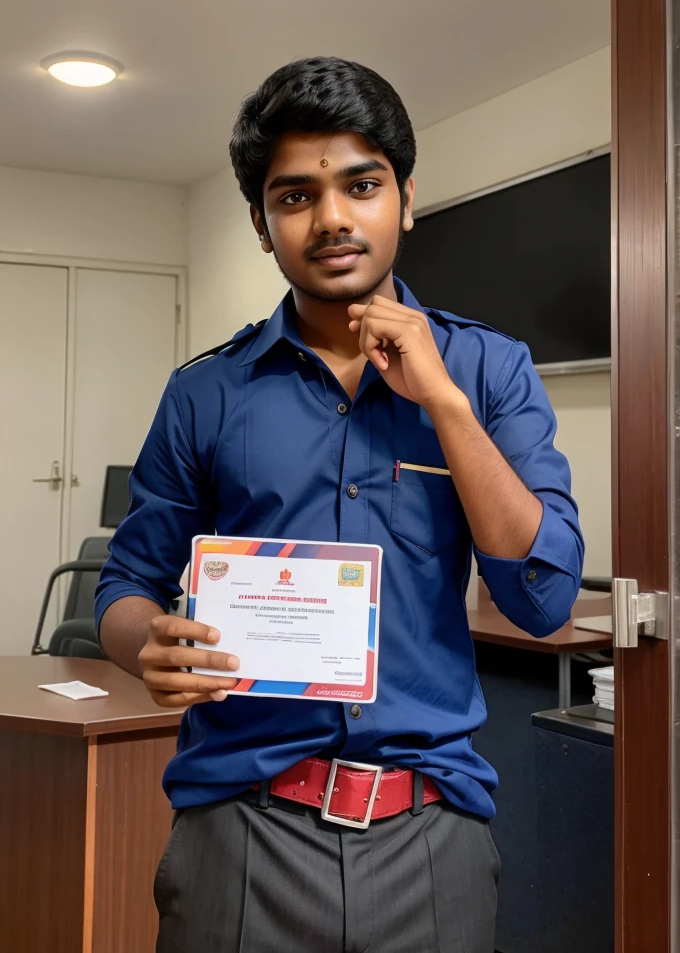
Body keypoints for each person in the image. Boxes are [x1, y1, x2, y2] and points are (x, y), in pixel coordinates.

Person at [96, 56, 584, 953]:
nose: (330, 219)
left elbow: (542, 599)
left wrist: (441, 400)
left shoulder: (490, 370)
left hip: (431, 831)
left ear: (404, 198)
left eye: (361, 184)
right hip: (240, 830)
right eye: (294, 197)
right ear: (261, 222)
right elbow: (127, 581)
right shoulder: (205, 393)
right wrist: (146, 642)